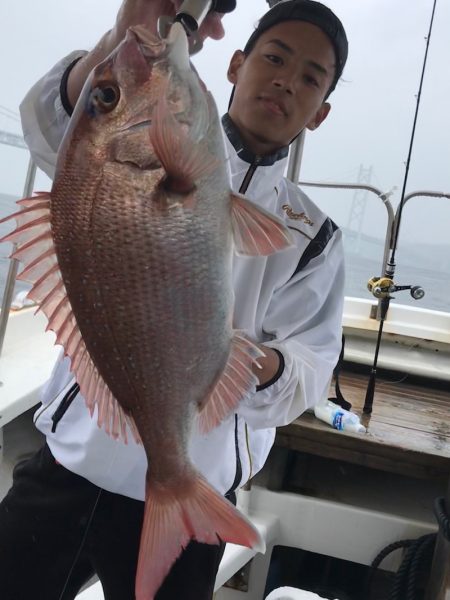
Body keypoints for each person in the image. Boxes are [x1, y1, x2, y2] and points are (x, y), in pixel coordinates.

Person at [0, 1, 348, 599]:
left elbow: (311, 369)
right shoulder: (131, 152)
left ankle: (175, 484)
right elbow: (56, 127)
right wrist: (122, 36)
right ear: (236, 65)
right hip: (77, 465)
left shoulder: (314, 236)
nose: (288, 80)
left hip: (198, 488)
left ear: (320, 112)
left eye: (311, 77)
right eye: (274, 57)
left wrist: (253, 364)